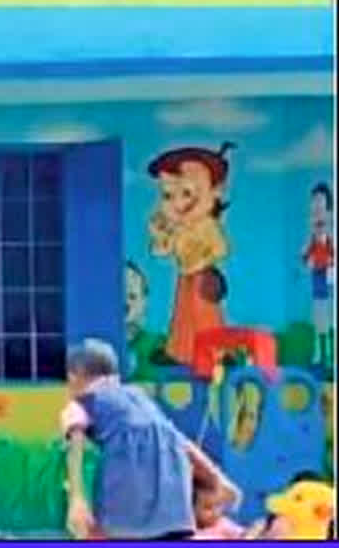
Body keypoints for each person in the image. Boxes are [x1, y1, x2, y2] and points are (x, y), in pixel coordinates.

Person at [62, 338, 240, 540]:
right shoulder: (141, 398)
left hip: (129, 484)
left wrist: (77, 499)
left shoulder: (83, 402)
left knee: (118, 532)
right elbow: (179, 442)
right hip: (172, 488)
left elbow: (75, 442)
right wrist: (216, 478)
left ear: (74, 376)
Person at [147, 143, 234, 366]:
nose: (178, 203)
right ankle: (179, 353)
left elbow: (221, 249)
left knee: (205, 315)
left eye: (187, 193)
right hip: (185, 275)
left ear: (214, 191)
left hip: (202, 275)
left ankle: (217, 353)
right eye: (168, 195)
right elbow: (162, 250)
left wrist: (203, 262)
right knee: (182, 316)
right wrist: (158, 234)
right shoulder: (178, 228)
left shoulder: (207, 226)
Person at [303, 183, 335, 369]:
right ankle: (321, 355)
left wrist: (330, 261)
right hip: (317, 277)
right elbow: (308, 253)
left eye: (321, 206)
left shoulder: (329, 235)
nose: (317, 214)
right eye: (313, 208)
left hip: (327, 277)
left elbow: (330, 253)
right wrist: (307, 259)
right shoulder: (315, 237)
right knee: (318, 315)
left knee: (328, 315)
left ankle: (329, 355)